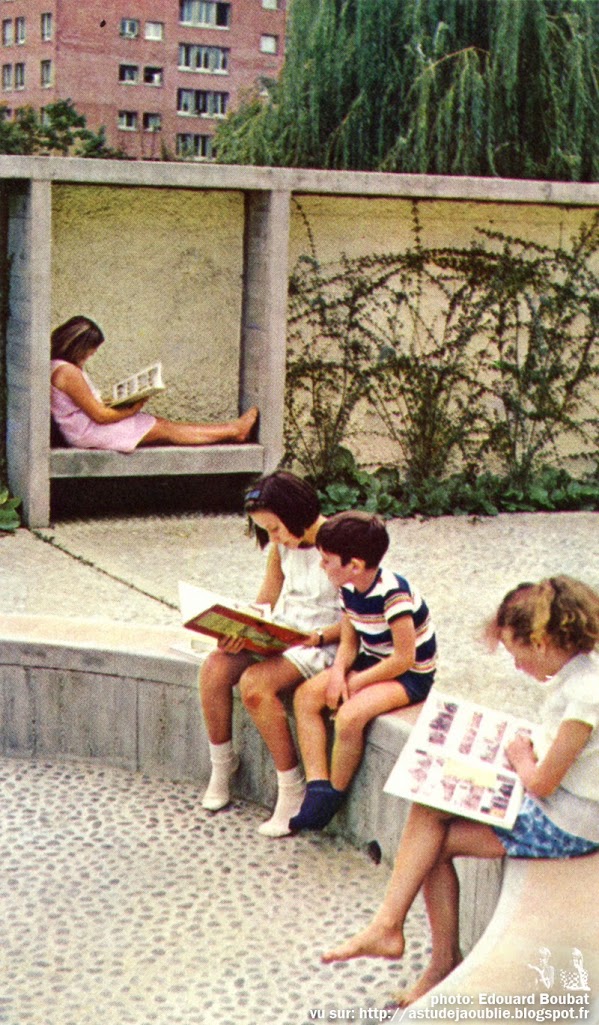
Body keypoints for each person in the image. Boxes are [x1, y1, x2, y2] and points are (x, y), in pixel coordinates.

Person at [321, 575, 599, 1008]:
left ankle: (404, 937)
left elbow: (542, 780)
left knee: (428, 831)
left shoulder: (586, 695)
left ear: (541, 642)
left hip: (567, 821)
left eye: (515, 652)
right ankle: (409, 941)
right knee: (429, 834)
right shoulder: (578, 676)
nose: (515, 665)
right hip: (556, 803)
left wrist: (520, 756)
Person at [199, 471, 342, 837]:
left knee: (255, 684)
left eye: (276, 529)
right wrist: (238, 630)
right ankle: (222, 763)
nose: (274, 538)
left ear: (296, 513)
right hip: (284, 634)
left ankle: (291, 787)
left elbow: (360, 617)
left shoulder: (338, 542)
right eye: (267, 530)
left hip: (320, 641)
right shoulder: (281, 548)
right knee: (215, 666)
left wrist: (318, 635)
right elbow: (266, 601)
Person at [290, 511, 437, 833]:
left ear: (354, 565)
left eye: (327, 560)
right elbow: (348, 640)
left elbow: (403, 658)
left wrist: (354, 683)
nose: (321, 566)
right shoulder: (347, 588)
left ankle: (333, 797)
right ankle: (317, 785)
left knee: (349, 717)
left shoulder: (393, 593)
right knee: (305, 698)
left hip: (409, 675)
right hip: (371, 661)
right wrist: (339, 674)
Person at [50, 316, 258, 451]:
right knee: (165, 428)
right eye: (90, 350)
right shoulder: (68, 372)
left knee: (164, 426)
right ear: (78, 346)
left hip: (84, 429)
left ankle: (232, 429)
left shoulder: (57, 366)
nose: (91, 355)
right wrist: (133, 409)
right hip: (88, 432)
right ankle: (234, 431)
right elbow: (101, 416)